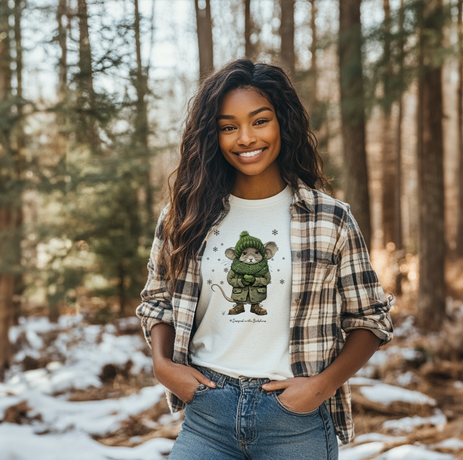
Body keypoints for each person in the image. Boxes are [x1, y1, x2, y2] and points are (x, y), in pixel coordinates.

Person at [136, 59, 394, 459]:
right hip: (208, 413)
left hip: (294, 419)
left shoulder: (329, 218)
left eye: (259, 121)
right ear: (212, 135)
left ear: (282, 124)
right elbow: (157, 302)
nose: (244, 137)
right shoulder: (185, 216)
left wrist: (321, 386)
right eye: (228, 126)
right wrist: (162, 364)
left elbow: (372, 318)